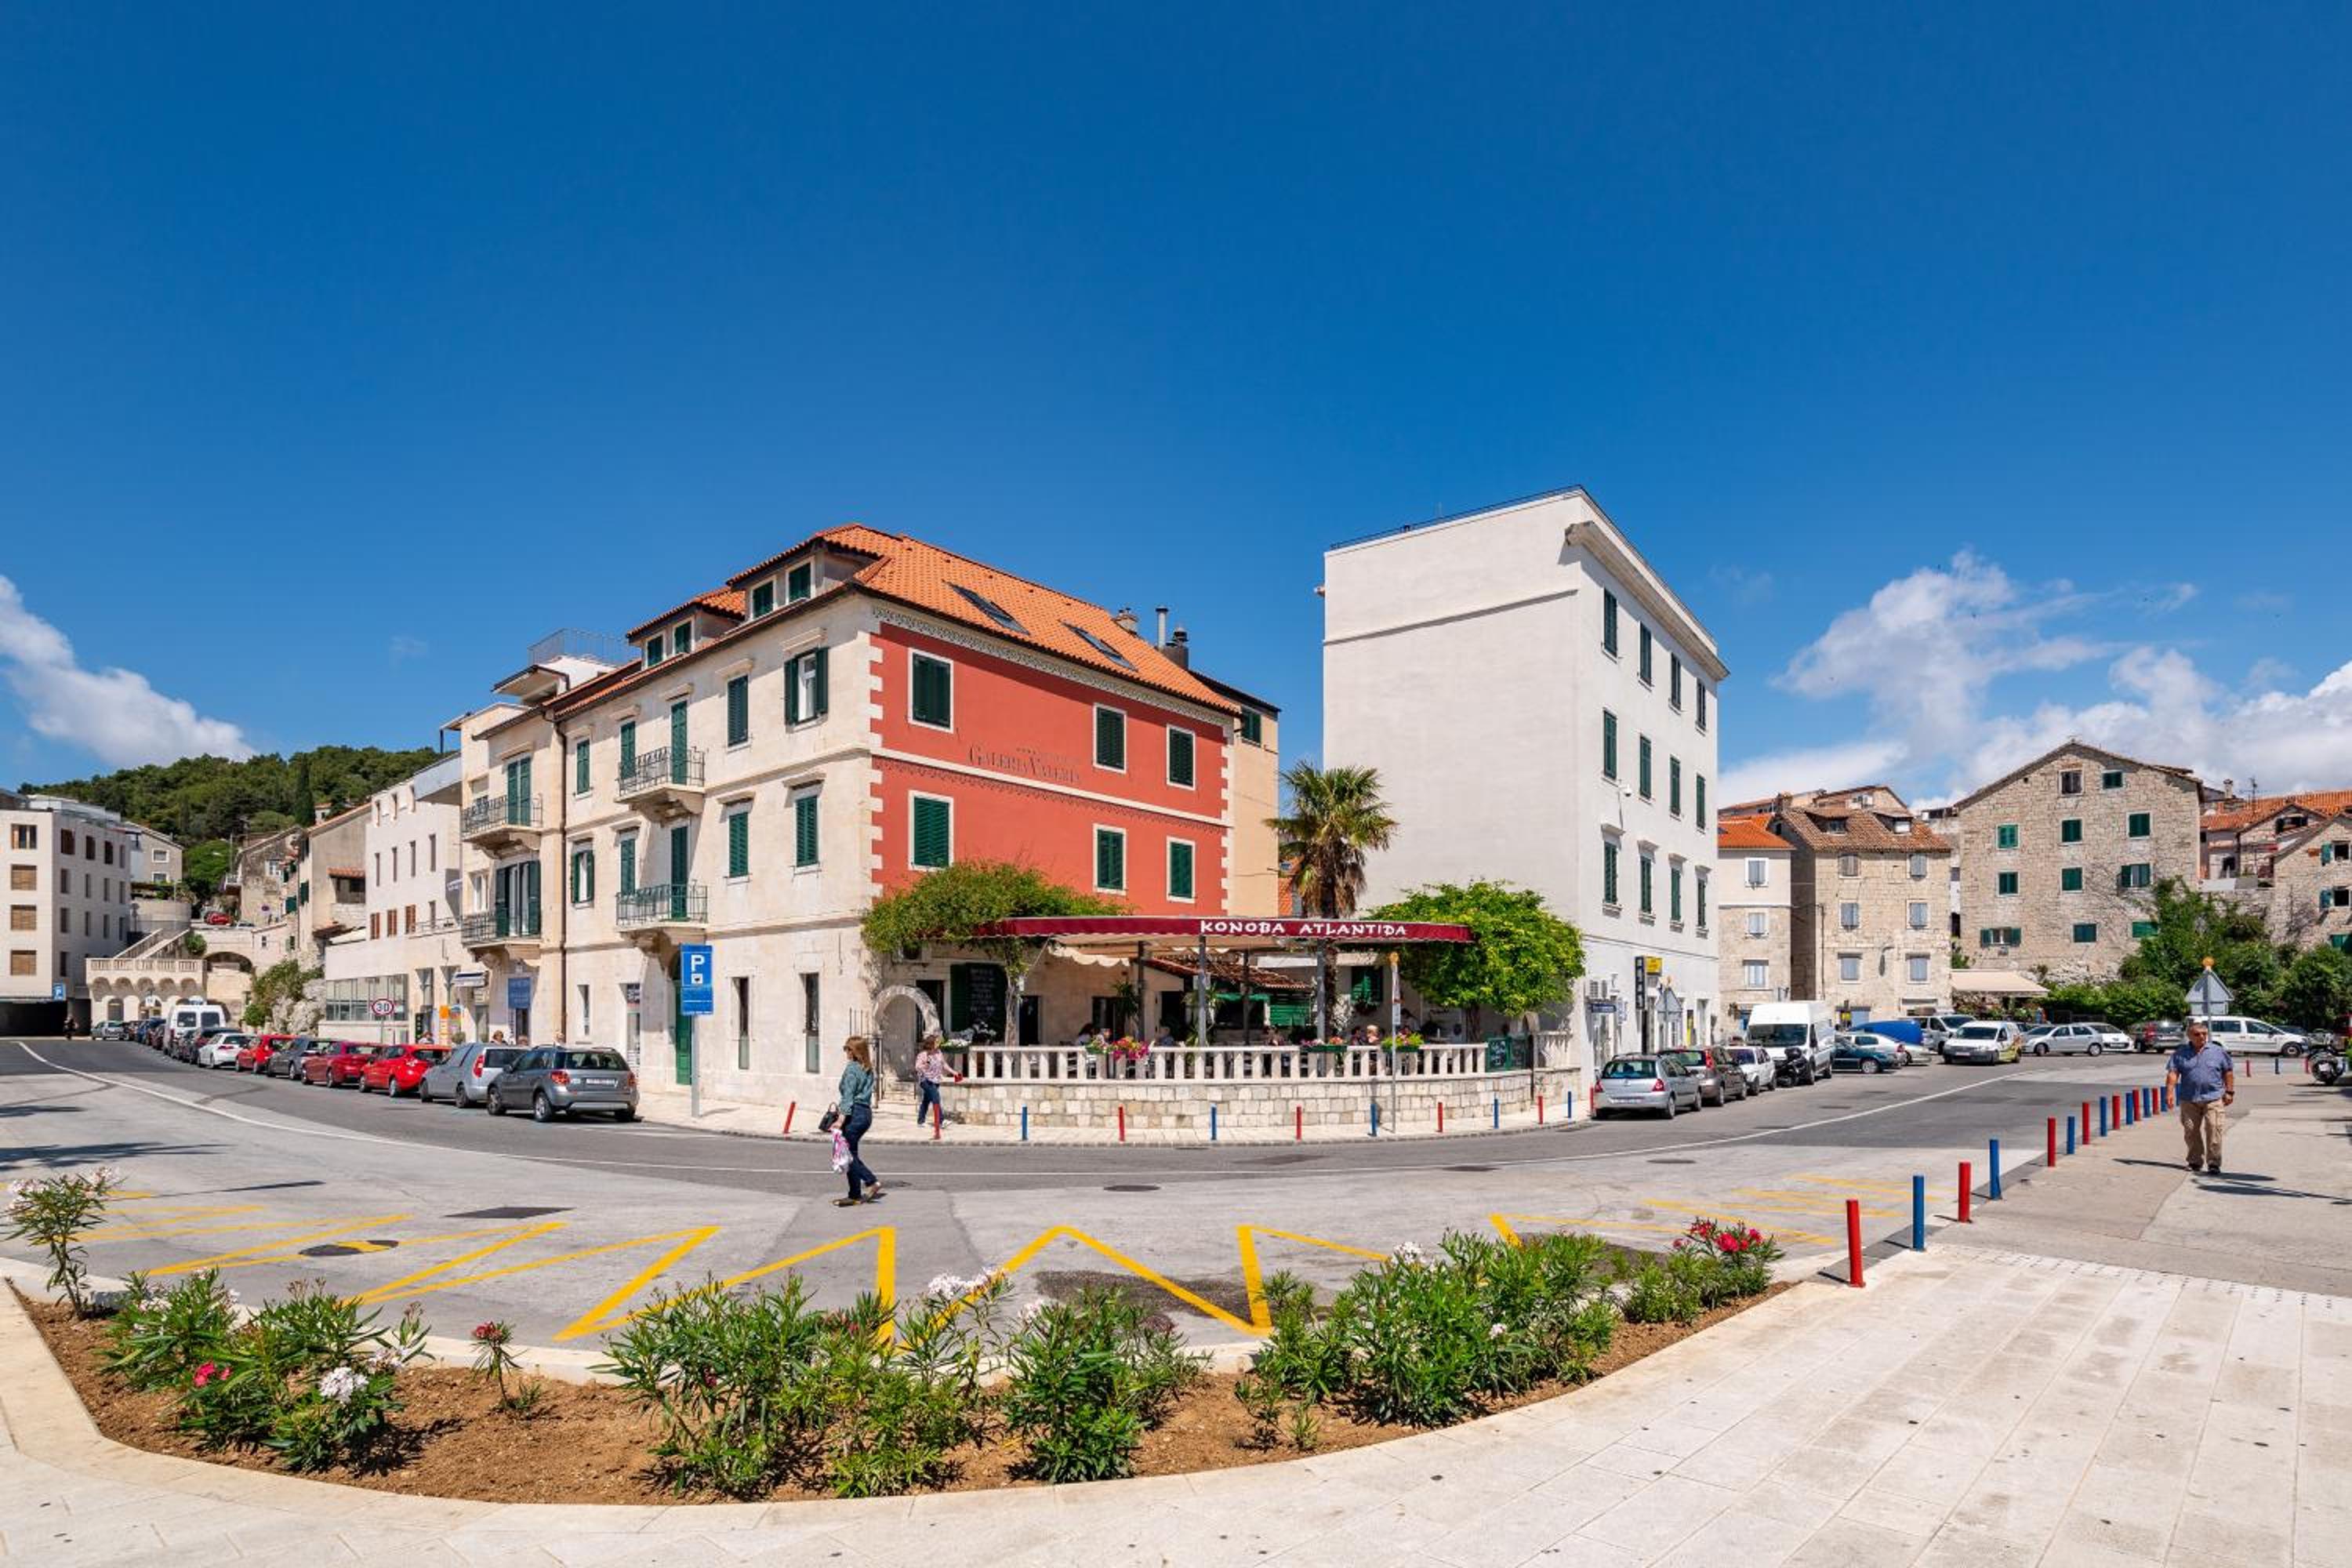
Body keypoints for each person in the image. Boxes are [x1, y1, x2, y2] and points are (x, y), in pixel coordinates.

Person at [2165, 1018, 2236, 1175]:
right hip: (2189, 1099)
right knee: (2191, 1131)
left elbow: (2228, 1071)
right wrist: (2169, 1092)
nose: (2202, 1037)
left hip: (2214, 1097)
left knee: (2214, 1128)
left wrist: (2230, 1091)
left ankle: (2214, 1163)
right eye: (2197, 1034)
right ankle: (2195, 1161)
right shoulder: (2180, 1053)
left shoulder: (2217, 1051)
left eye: (2204, 1034)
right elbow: (2173, 1073)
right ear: (2190, 1036)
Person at [833, 1036, 883, 1206]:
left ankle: (871, 1181)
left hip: (854, 1114)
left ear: (855, 1051)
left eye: (848, 1049)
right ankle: (854, 1194)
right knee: (850, 1153)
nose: (846, 1052)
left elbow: (848, 1096)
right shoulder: (868, 1068)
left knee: (848, 1156)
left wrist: (841, 1119)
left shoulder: (852, 1069)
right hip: (865, 1114)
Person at [913, 1035, 949, 1127]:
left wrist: (954, 1072)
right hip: (926, 1080)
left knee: (926, 1100)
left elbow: (944, 1064)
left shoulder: (938, 1053)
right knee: (936, 1098)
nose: (938, 1044)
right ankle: (941, 1121)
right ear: (931, 1043)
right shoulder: (923, 1054)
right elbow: (917, 1067)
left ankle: (921, 1121)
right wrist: (924, 1066)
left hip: (936, 1080)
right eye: (936, 1042)